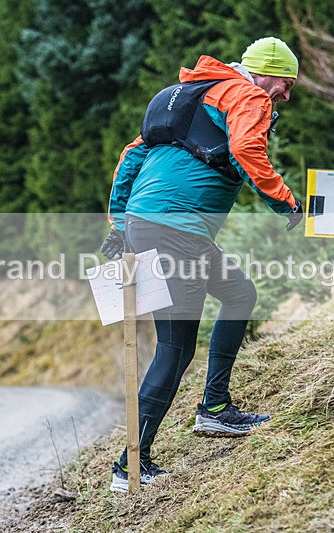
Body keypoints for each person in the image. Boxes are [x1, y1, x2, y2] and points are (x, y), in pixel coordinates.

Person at [100, 37, 303, 493]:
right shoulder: (247, 95)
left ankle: (213, 409)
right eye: (286, 84)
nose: (286, 96)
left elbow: (131, 156)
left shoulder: (192, 95)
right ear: (265, 73)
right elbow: (249, 151)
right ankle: (132, 464)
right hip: (177, 230)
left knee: (237, 294)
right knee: (174, 348)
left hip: (145, 224)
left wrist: (118, 223)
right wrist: (286, 202)